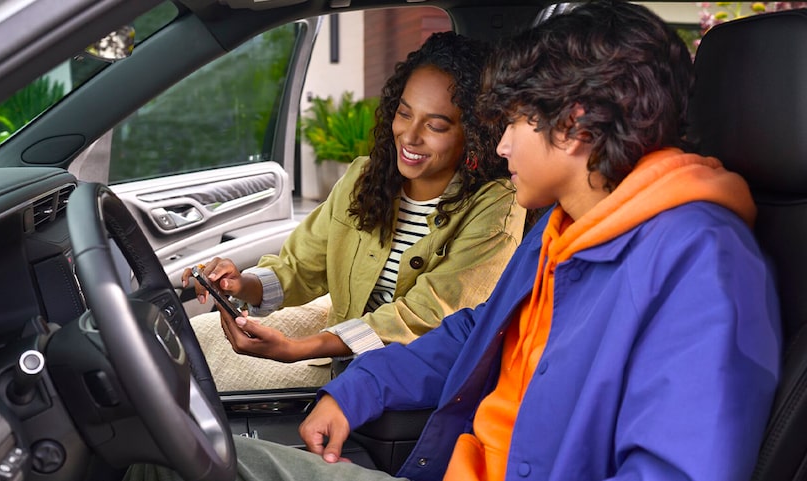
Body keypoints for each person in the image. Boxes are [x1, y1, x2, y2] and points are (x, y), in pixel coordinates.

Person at [125, 2, 782, 480]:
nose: (499, 145)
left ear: (575, 125)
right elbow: (475, 336)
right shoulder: (564, 229)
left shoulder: (703, 266)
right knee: (158, 455)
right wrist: (356, 388)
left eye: (516, 122)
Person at [184, 31, 525, 392]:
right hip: (342, 358)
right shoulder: (364, 177)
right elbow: (301, 267)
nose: (409, 136)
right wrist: (243, 284)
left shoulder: (497, 205)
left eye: (436, 125)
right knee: (192, 340)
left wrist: (300, 349)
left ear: (473, 133)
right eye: (404, 113)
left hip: (409, 381)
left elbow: (424, 317)